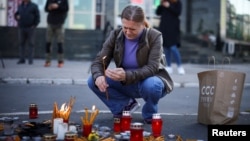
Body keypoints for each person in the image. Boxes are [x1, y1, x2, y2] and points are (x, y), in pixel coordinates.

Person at [87, 5, 173, 124]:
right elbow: (99, 61)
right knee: (92, 80)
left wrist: (126, 75)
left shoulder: (154, 36)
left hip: (148, 81)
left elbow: (152, 67)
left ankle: (150, 112)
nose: (127, 32)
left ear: (142, 25)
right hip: (126, 82)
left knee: (152, 85)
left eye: (132, 29)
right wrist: (99, 76)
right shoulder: (116, 35)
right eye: (125, 27)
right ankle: (124, 106)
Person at [156, 0, 185, 74]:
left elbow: (178, 12)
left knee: (173, 47)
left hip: (173, 28)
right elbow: (157, 12)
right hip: (164, 28)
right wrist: (161, 5)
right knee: (166, 48)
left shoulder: (177, 3)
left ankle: (179, 66)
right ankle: (168, 66)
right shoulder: (164, 2)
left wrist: (169, 6)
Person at [44, 0, 69, 68]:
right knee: (48, 43)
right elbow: (45, 9)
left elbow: (66, 8)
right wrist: (49, 7)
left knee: (60, 43)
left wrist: (58, 6)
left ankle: (60, 61)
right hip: (50, 23)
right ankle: (47, 61)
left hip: (60, 24)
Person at [14, 0, 40, 65]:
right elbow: (17, 14)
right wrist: (16, 17)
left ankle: (30, 60)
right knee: (21, 43)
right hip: (21, 27)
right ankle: (22, 59)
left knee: (31, 44)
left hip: (30, 28)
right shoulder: (20, 6)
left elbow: (37, 17)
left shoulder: (34, 6)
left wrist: (34, 25)